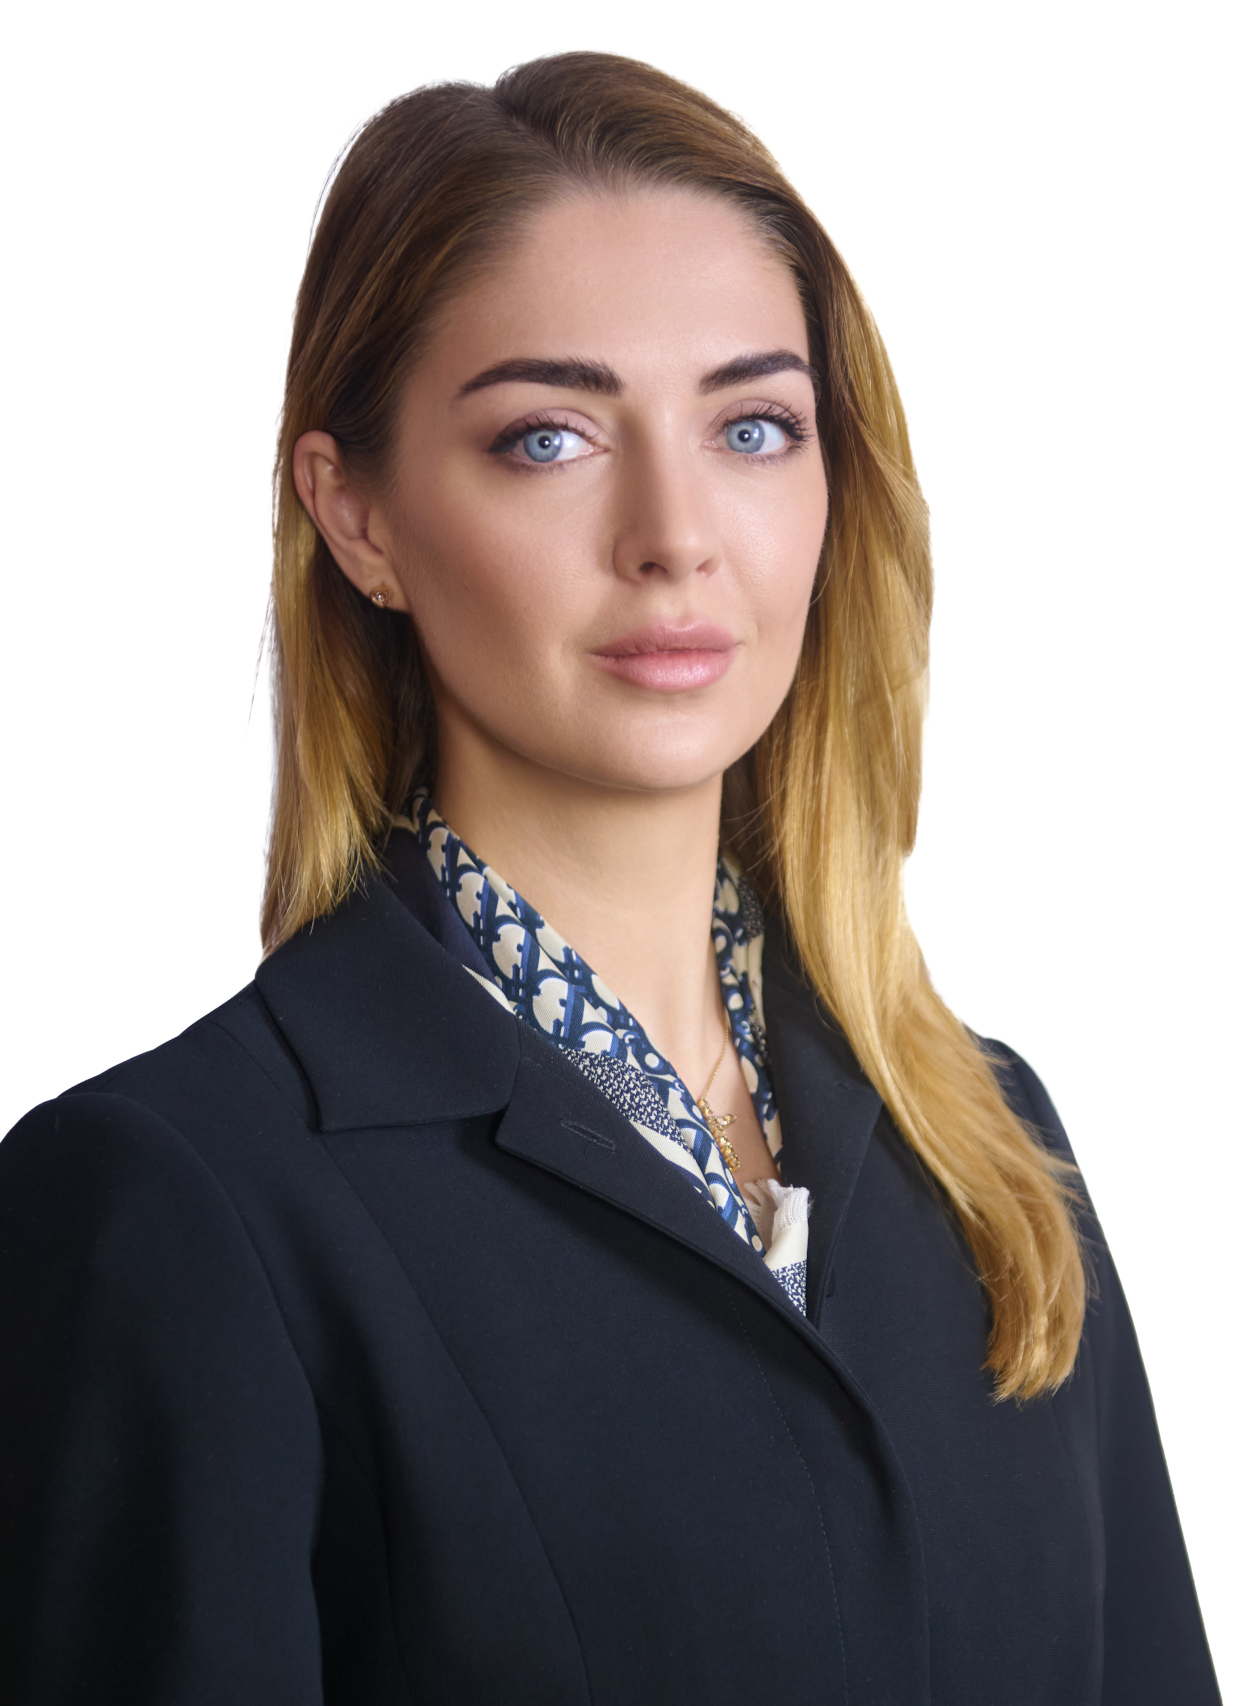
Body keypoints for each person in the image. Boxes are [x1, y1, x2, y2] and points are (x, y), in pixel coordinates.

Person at [0, 50, 1220, 1706]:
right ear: (357, 515)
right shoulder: (177, 1201)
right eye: (551, 437)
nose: (675, 533)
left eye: (753, 426)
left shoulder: (989, 1143)